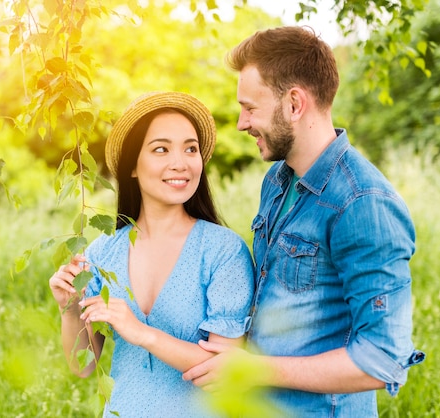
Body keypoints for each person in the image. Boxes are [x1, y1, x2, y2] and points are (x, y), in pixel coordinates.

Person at [181, 26, 425, 417]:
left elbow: (383, 358)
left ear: (295, 104)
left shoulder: (363, 203)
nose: (242, 123)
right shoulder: (277, 181)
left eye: (251, 108)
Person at [49, 91, 255, 418]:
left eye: (190, 149)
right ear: (132, 166)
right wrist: (70, 308)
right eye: (161, 149)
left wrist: (142, 333)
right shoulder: (102, 252)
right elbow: (83, 366)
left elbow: (227, 370)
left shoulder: (223, 251)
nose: (181, 163)